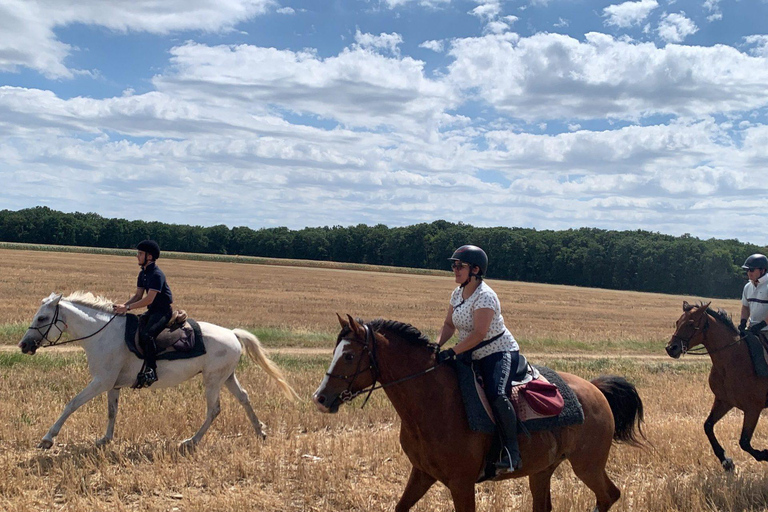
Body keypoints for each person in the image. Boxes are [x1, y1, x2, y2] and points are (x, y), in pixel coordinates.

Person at [435, 244, 523, 473]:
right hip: (469, 352)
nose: (454, 269)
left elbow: (479, 334)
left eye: (459, 265)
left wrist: (453, 352)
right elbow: (448, 324)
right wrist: (436, 347)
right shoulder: (457, 294)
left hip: (498, 352)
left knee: (497, 394)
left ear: (475, 270)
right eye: (453, 265)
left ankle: (512, 453)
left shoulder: (485, 297)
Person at [113, 240, 174, 388]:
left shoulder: (156, 274)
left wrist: (128, 308)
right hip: (152, 311)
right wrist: (123, 306)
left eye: (140, 253)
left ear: (149, 256)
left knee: (148, 335)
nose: (137, 256)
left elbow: (149, 299)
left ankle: (152, 370)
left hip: (163, 312)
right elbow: (138, 295)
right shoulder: (143, 274)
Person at [739, 253, 768, 341]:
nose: (748, 273)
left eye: (751, 270)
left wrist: (762, 325)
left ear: (762, 270)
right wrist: (743, 322)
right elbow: (745, 307)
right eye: (747, 270)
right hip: (752, 329)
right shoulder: (748, 287)